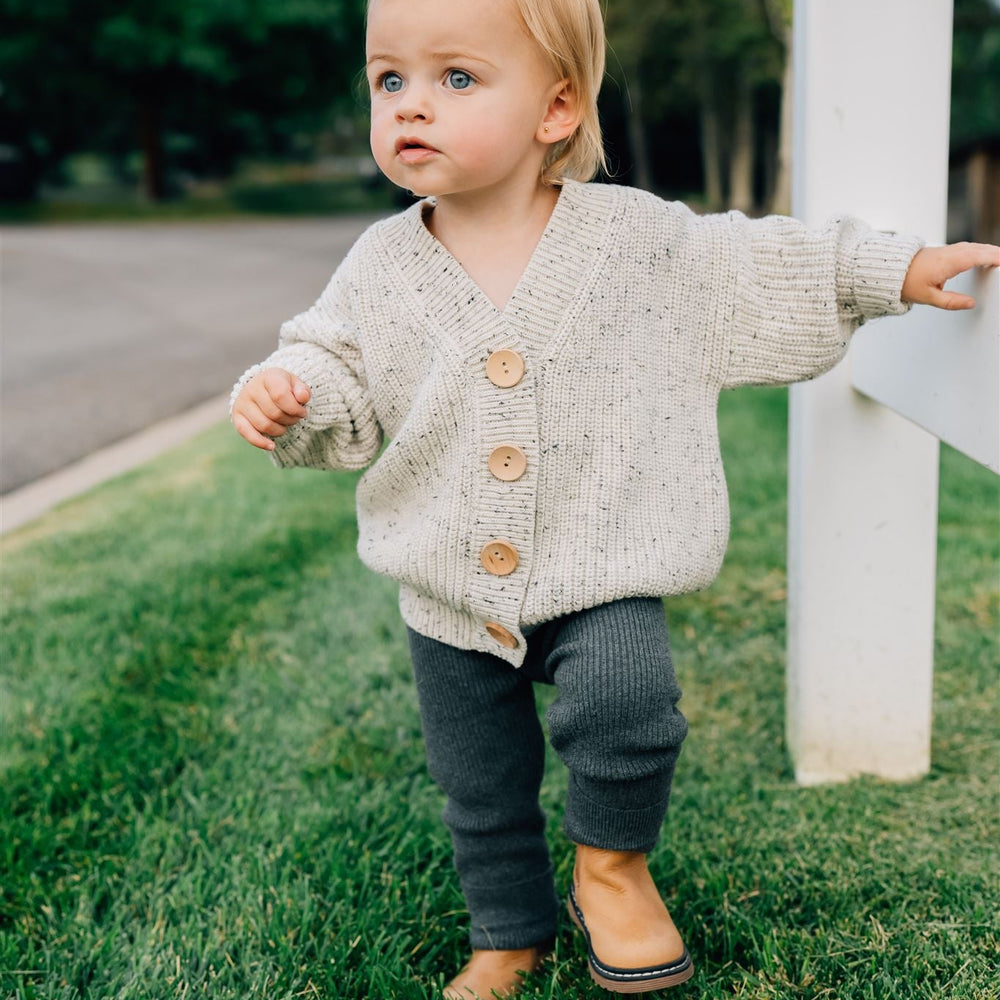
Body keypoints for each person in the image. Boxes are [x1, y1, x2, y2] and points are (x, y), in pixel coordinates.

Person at [230, 0, 1000, 994]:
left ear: (556, 107)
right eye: (390, 81)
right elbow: (334, 369)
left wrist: (887, 267)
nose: (411, 106)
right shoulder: (380, 266)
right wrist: (290, 398)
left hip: (604, 561)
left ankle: (611, 867)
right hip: (448, 588)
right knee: (480, 781)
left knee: (630, 705)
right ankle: (506, 930)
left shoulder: (637, 242)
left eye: (455, 79)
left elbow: (757, 265)